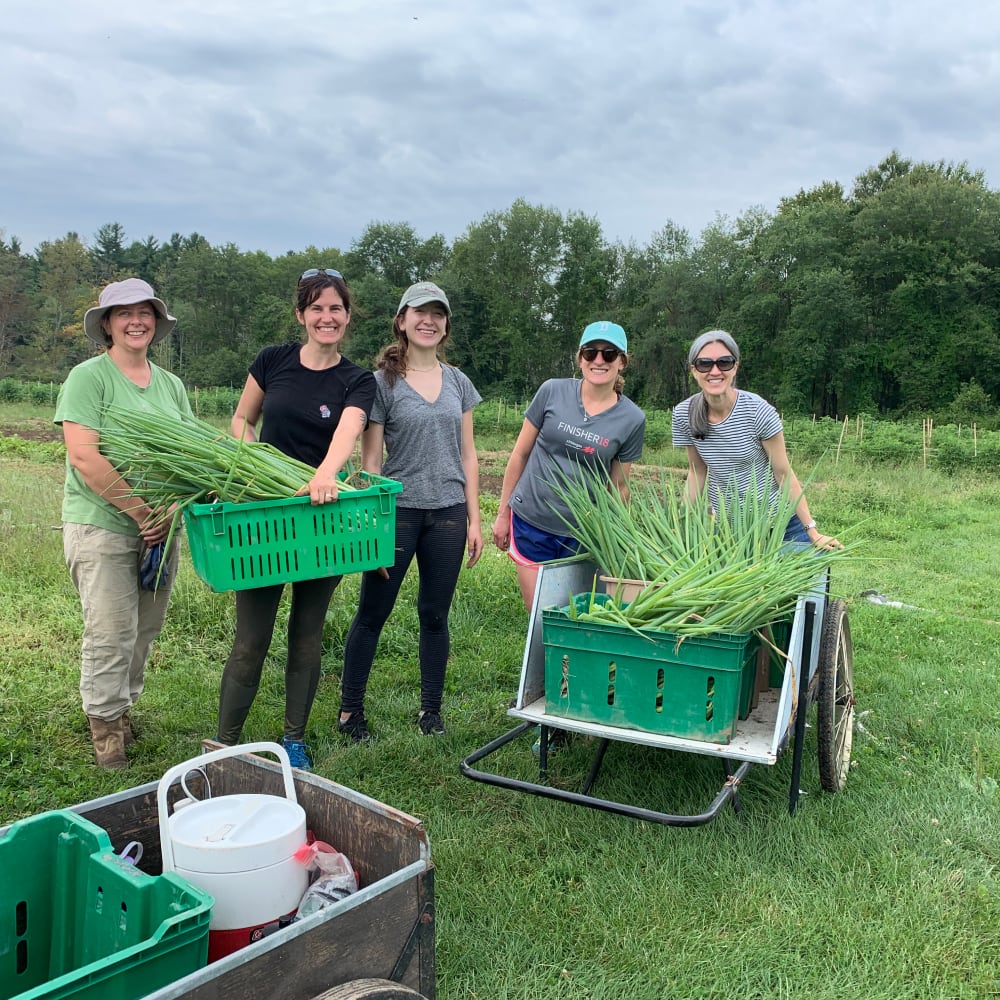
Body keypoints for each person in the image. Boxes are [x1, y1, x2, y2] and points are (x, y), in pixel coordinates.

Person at [216, 268, 376, 769]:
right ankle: (224, 743)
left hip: (322, 519)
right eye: (316, 307)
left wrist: (325, 476)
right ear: (301, 315)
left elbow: (348, 433)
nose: (326, 317)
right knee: (251, 637)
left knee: (307, 633)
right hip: (264, 516)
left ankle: (294, 739)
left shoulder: (357, 379)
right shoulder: (272, 361)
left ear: (347, 317)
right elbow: (243, 420)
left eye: (335, 308)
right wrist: (262, 466)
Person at [55, 278, 193, 769]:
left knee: (144, 629)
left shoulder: (171, 385)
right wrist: (140, 512)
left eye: (145, 312)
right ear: (107, 325)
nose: (136, 320)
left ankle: (122, 705)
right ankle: (107, 732)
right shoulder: (88, 378)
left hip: (161, 529)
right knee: (111, 630)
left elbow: (187, 455)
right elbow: (84, 457)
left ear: (157, 322)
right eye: (123, 313)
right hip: (106, 525)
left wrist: (174, 509)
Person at [338, 282, 483, 742]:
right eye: (419, 312)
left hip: (447, 515)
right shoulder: (381, 383)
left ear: (445, 326)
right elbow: (371, 461)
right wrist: (371, 524)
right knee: (372, 613)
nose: (429, 320)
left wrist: (474, 519)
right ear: (401, 321)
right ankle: (350, 711)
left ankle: (430, 711)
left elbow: (469, 455)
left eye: (438, 314)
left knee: (435, 615)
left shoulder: (458, 382)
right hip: (397, 513)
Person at [492, 321, 646, 609]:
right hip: (531, 522)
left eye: (609, 354)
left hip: (581, 534)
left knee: (573, 614)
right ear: (580, 358)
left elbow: (619, 487)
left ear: (622, 361)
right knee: (538, 615)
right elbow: (519, 454)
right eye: (590, 353)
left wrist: (618, 540)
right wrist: (503, 514)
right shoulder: (552, 391)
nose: (598, 360)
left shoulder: (632, 419)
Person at [672, 329, 841, 549]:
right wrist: (681, 522)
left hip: (778, 522)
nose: (715, 371)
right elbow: (697, 471)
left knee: (800, 583)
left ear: (735, 367)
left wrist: (812, 530)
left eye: (724, 363)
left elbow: (783, 473)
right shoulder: (684, 414)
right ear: (694, 370)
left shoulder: (757, 411)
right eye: (705, 364)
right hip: (729, 529)